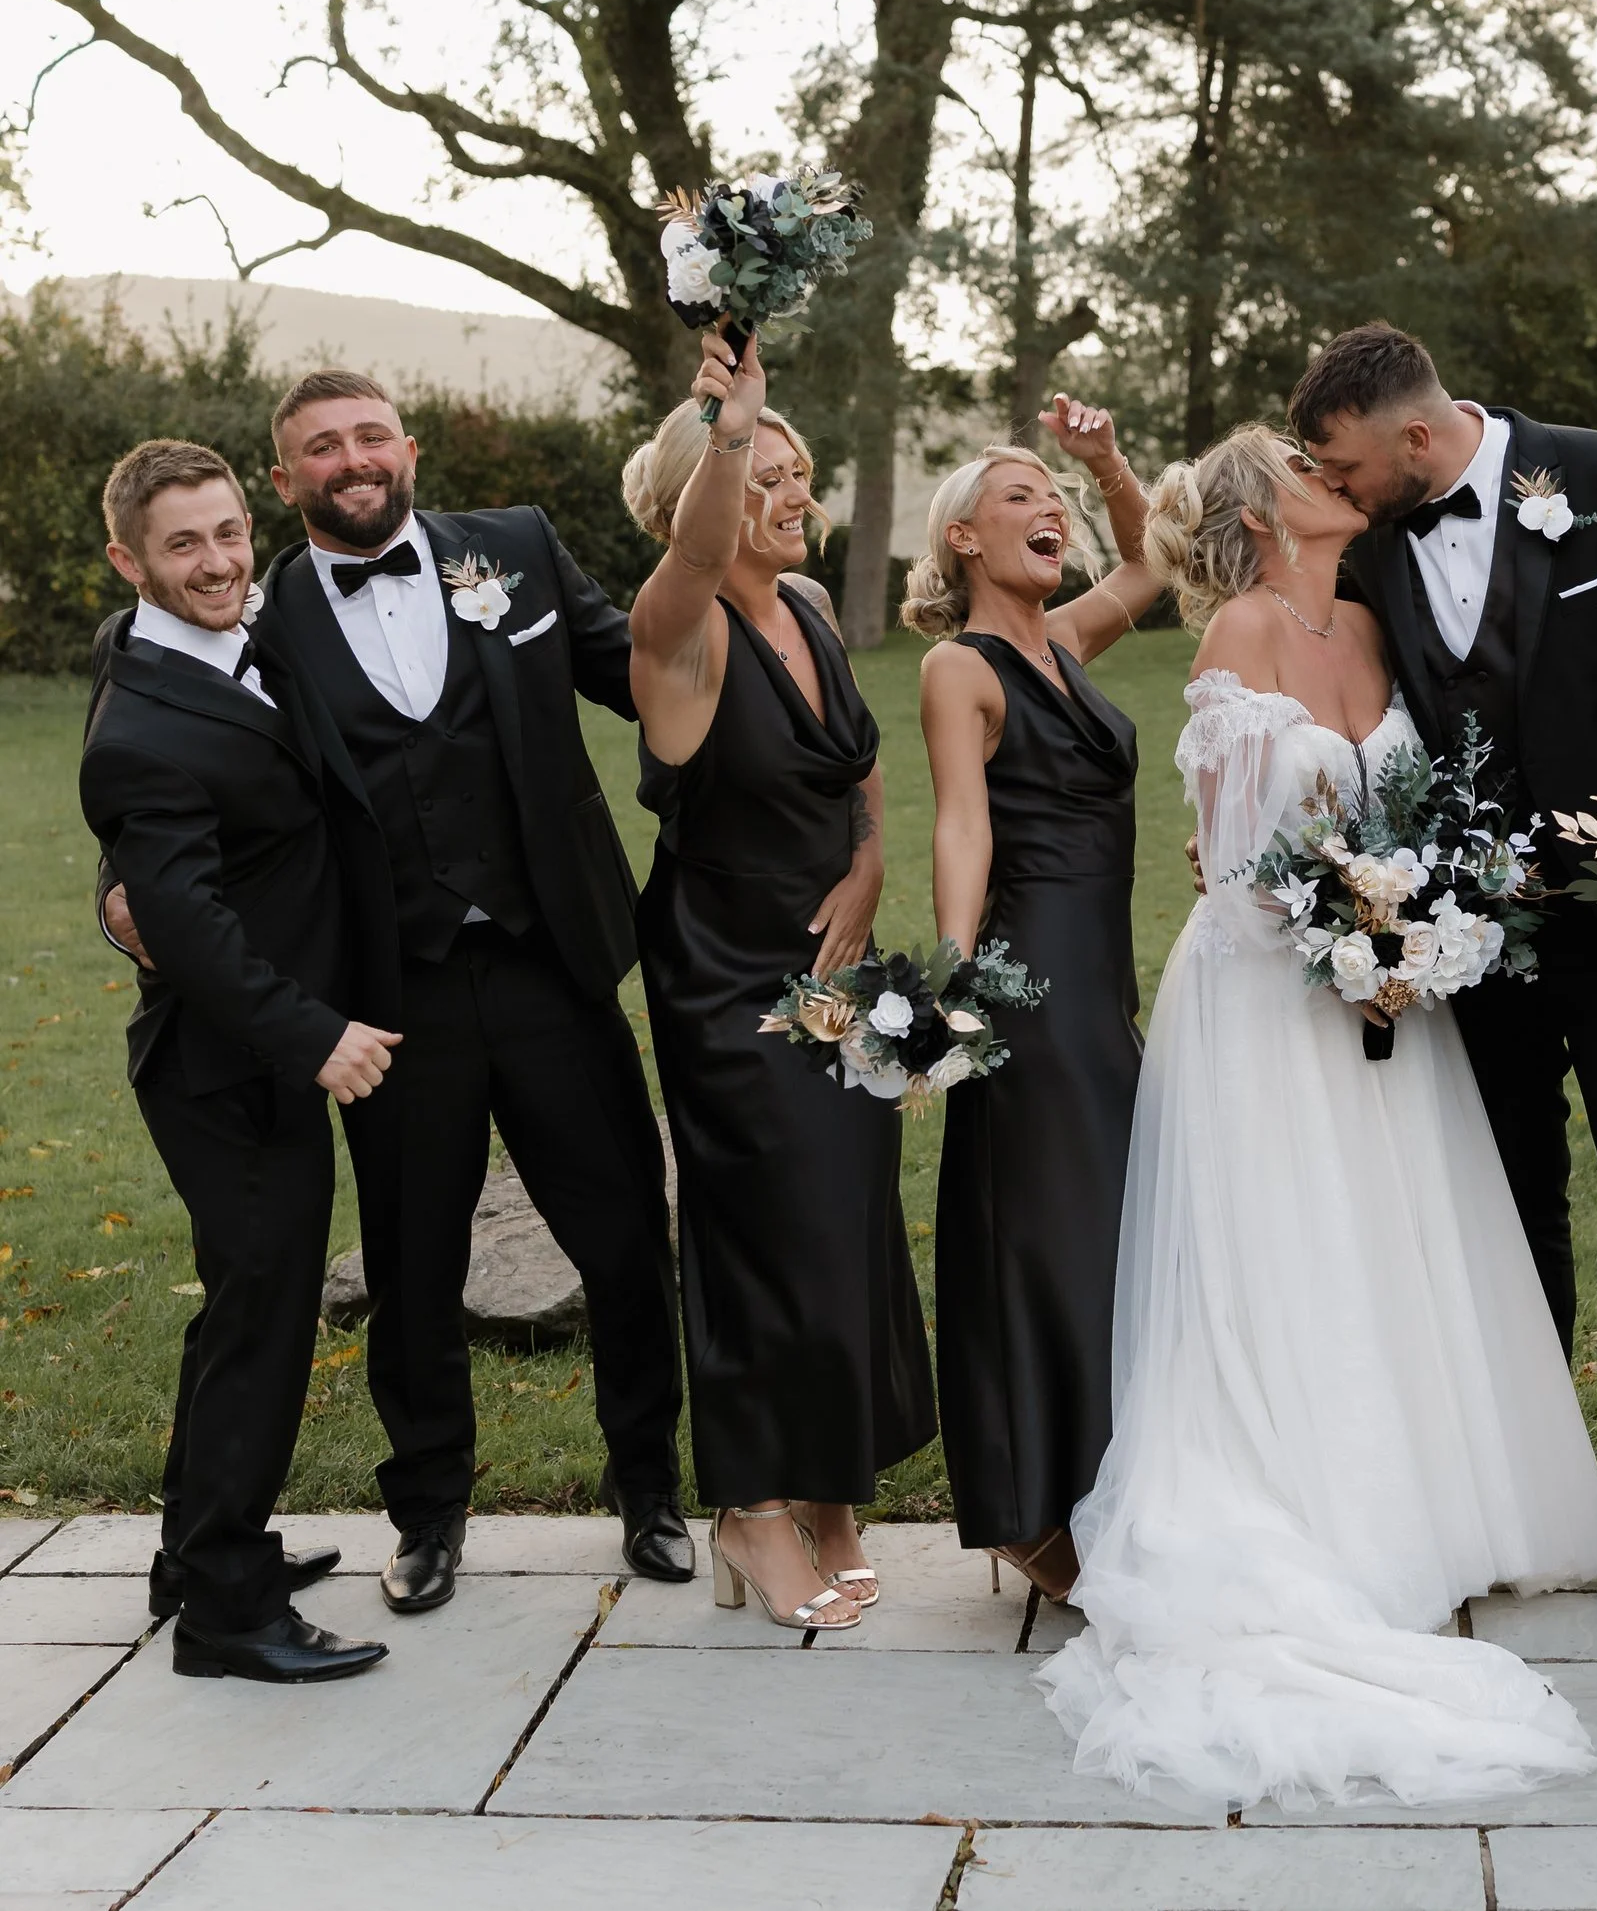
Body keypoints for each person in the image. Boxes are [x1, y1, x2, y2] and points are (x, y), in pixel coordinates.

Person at [1039, 426, 1597, 1813]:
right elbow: (1238, 862)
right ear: (1261, 504)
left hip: (1390, 997)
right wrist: (1350, 944)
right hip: (1266, 998)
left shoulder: (1373, 615)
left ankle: (1436, 1511)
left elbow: (1419, 801)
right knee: (1285, 1254)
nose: (1330, 468)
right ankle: (1306, 1518)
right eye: (1302, 459)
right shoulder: (1238, 626)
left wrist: (1414, 937)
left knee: (1392, 1244)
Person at [1288, 326, 1597, 1616]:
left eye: (1345, 461)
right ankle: (1521, 1491)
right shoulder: (1373, 541)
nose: (1339, 486)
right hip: (1470, 943)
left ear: (1413, 438)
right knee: (1502, 1209)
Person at [232, 371, 684, 1612]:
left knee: (627, 1242)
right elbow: (179, 765)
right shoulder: (260, 618)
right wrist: (126, 893)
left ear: (409, 448)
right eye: (321, 447)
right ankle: (428, 1513)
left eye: (370, 434)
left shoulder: (519, 549)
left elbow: (646, 674)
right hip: (388, 1000)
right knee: (413, 1268)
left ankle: (649, 1487)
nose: (352, 458)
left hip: (553, 963)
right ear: (287, 482)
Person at [624, 330, 936, 1633]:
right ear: (701, 493)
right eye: (766, 473)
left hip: (832, 973)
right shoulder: (676, 636)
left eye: (799, 469)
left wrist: (870, 865)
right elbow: (696, 556)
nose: (793, 490)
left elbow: (851, 757)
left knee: (851, 1219)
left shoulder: (810, 611)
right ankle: (752, 1509)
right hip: (728, 979)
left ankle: (833, 1491)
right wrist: (731, 425)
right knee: (766, 1233)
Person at [81, 440, 392, 1685]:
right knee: (264, 1327)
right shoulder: (138, 735)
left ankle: (191, 1549)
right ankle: (224, 1611)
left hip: (259, 1049)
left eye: (225, 533)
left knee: (237, 1316)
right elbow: (191, 931)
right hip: (229, 1068)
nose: (218, 563)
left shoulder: (208, 636)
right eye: (182, 546)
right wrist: (314, 1036)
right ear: (129, 560)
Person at [908, 400, 1158, 1602]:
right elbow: (962, 821)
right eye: (1020, 494)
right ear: (962, 535)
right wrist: (954, 985)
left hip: (1104, 987)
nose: (1047, 506)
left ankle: (1105, 1489)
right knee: (1044, 1236)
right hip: (1030, 988)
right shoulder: (961, 664)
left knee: (1110, 1237)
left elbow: (1157, 556)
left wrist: (1107, 463)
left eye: (1052, 495)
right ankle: (1025, 1512)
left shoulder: (1066, 640)